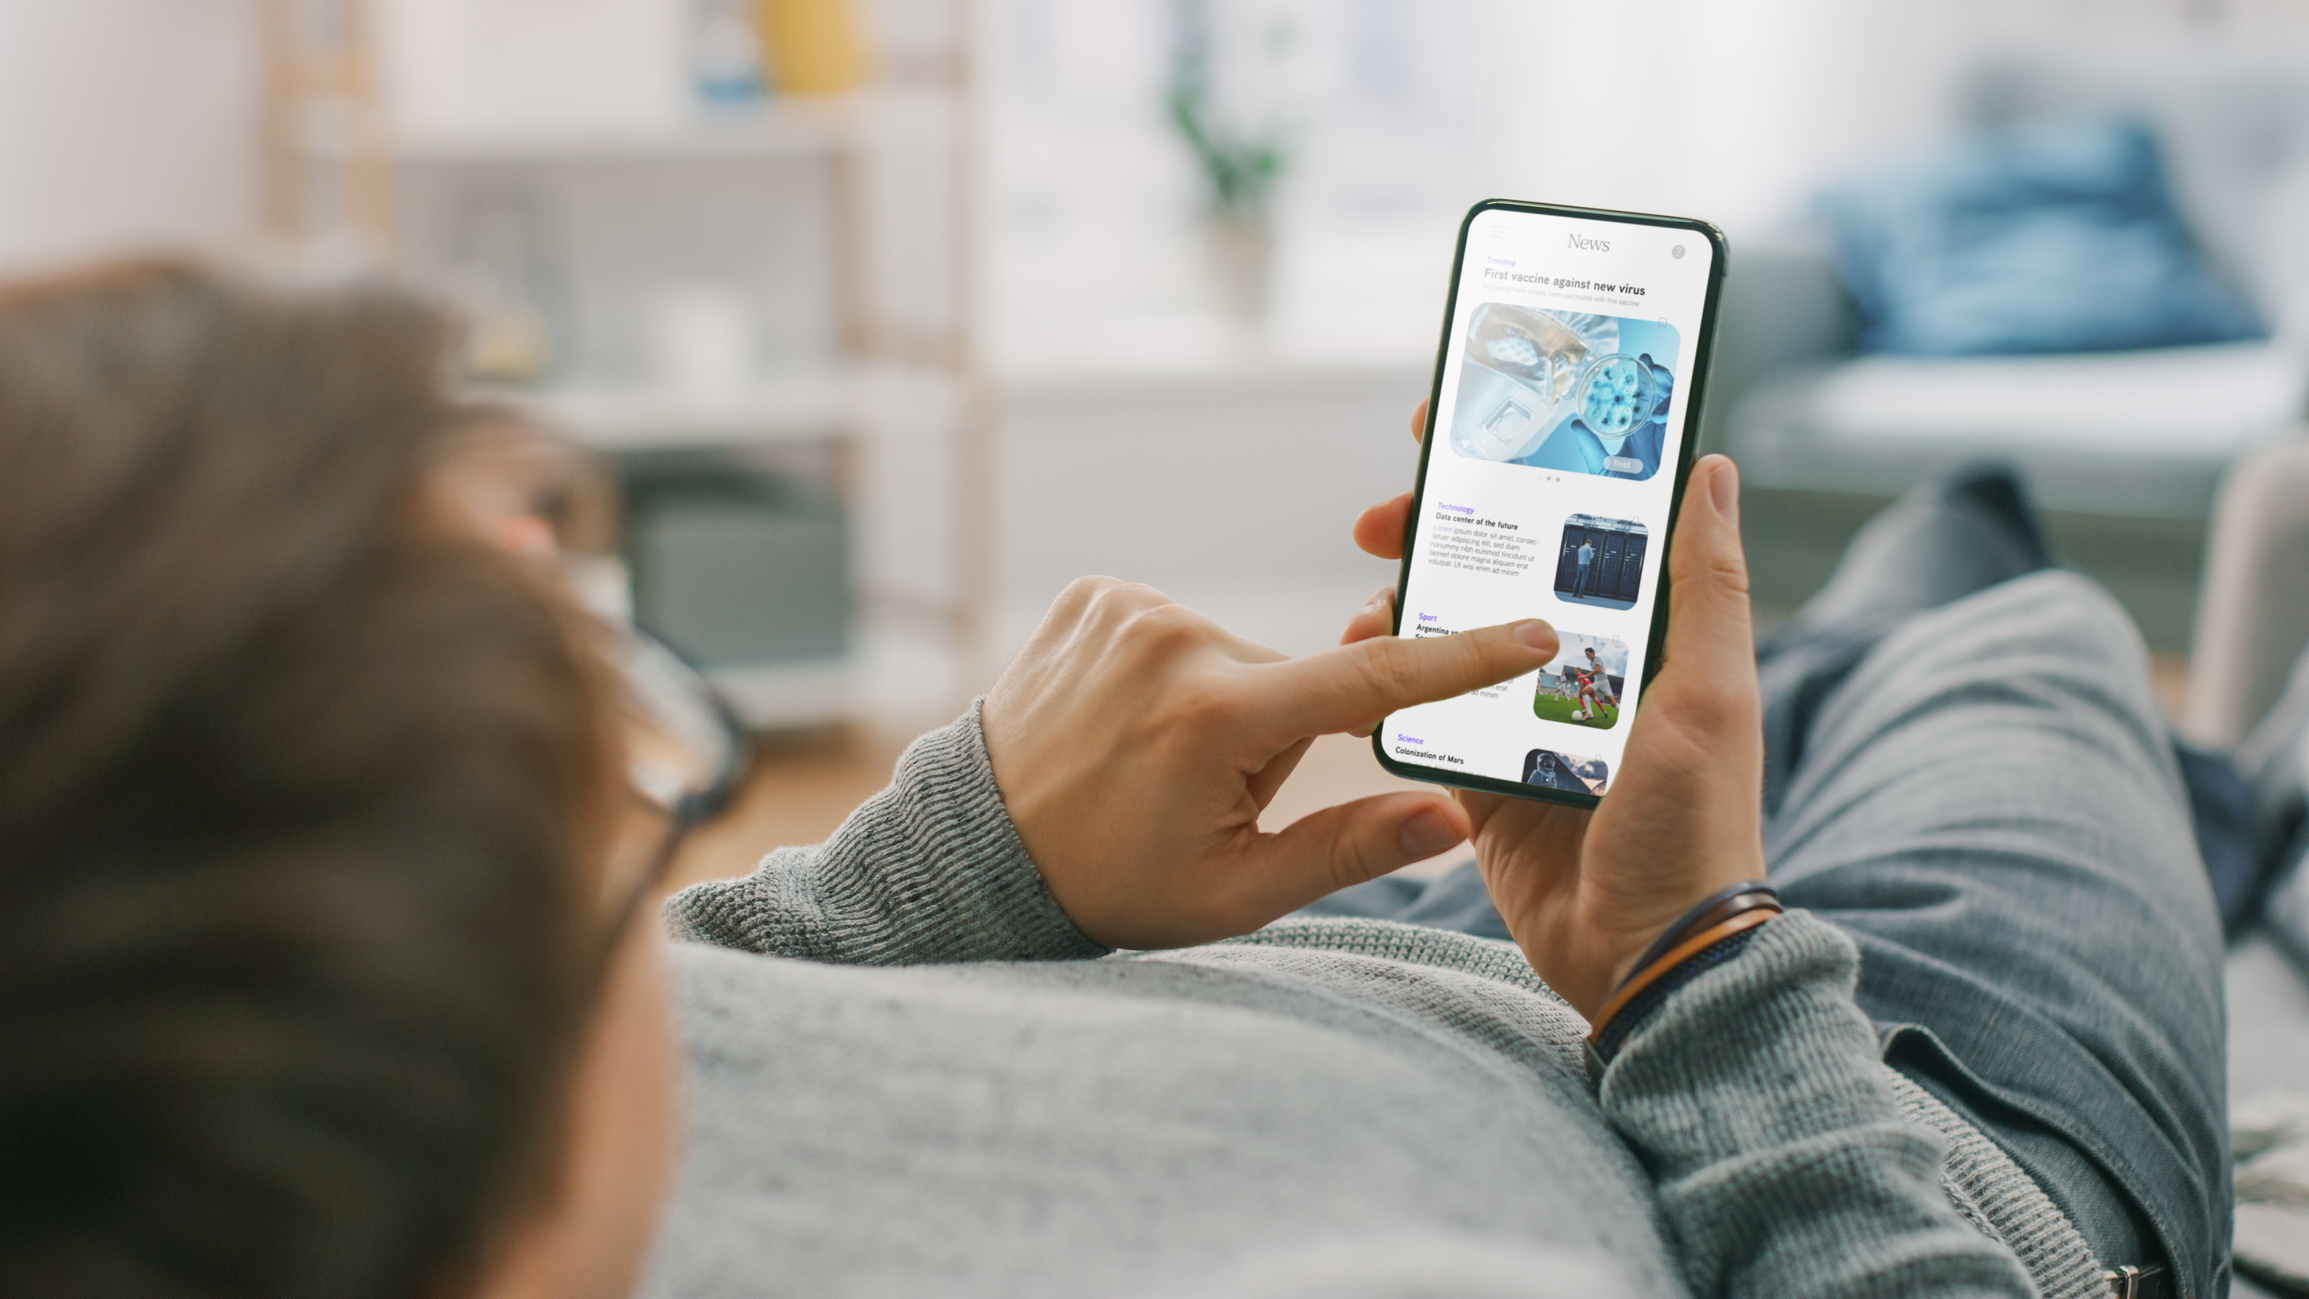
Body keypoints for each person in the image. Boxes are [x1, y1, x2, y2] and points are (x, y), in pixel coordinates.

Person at [0, 265, 2221, 1299]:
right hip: (1835, 1092)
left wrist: (976, 841)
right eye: (611, 791)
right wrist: (1693, 950)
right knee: (2001, 617)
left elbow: (720, 996)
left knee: (1799, 656)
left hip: (1367, 941)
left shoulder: (235, 1093)